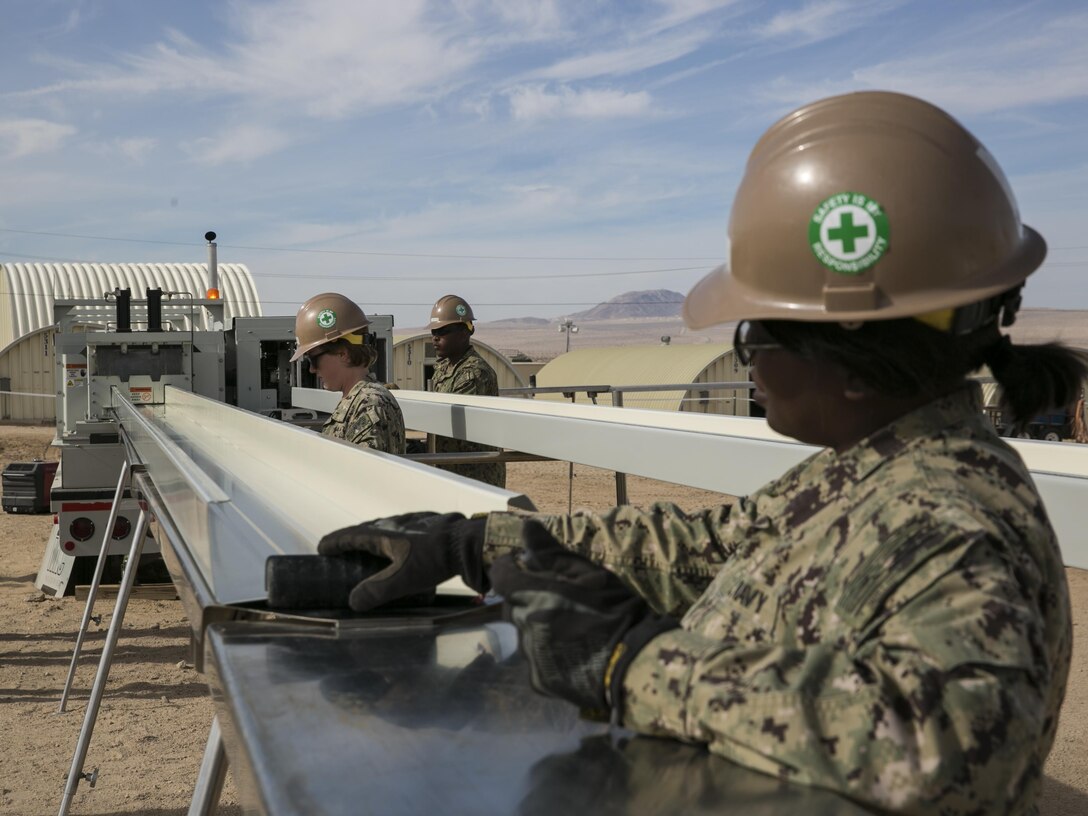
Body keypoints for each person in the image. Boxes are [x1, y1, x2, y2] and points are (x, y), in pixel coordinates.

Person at [315, 92, 1087, 814]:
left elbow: (945, 742)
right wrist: (481, 542)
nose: (746, 360)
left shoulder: (951, 523)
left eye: (758, 330)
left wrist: (637, 667)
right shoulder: (872, 472)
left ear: (855, 355)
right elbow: (705, 547)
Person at [290, 292, 405, 454]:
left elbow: (363, 475)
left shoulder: (370, 404)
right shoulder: (358, 400)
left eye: (313, 359)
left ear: (343, 354)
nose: (312, 369)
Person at [427, 294, 506, 487]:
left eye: (443, 331)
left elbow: (445, 417)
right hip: (452, 470)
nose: (435, 337)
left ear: (464, 333)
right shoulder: (444, 368)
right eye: (433, 331)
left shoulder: (475, 373)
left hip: (475, 475)